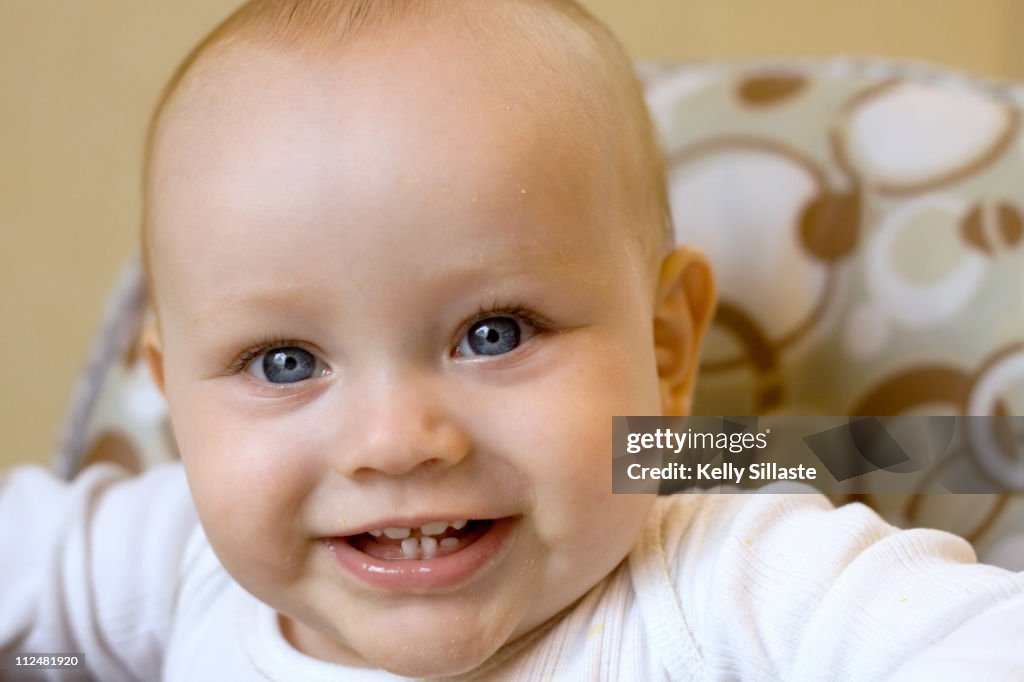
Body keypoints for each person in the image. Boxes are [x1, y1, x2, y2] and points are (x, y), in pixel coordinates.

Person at [3, 1, 1023, 679]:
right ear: (173, 398)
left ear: (667, 349)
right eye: (285, 362)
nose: (397, 441)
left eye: (493, 333)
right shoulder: (184, 554)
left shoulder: (724, 573)